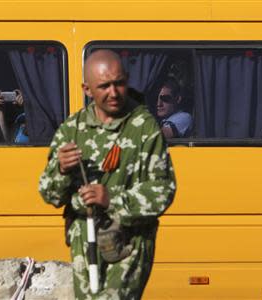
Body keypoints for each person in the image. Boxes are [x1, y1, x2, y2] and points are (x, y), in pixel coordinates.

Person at [39, 50, 176, 299]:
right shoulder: (73, 128)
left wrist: (111, 198)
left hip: (128, 242)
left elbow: (163, 190)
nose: (113, 93)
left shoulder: (143, 127)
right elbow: (49, 194)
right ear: (87, 89)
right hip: (84, 239)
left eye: (119, 83)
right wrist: (60, 170)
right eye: (104, 86)